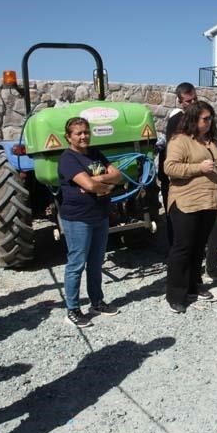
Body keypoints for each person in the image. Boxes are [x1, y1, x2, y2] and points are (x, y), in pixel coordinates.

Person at [58, 117, 123, 328]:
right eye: (79, 133)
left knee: (96, 263)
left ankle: (97, 302)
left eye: (86, 132)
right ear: (69, 137)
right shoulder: (68, 159)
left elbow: (118, 176)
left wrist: (98, 182)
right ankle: (73, 309)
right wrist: (100, 183)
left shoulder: (95, 154)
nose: (84, 136)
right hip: (78, 219)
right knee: (76, 263)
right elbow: (89, 184)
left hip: (100, 215)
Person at [163, 102, 217, 312]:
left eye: (210, 119)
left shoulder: (211, 141)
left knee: (199, 247)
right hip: (186, 202)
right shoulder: (179, 140)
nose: (209, 122)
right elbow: (169, 168)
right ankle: (175, 295)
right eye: (205, 119)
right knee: (183, 248)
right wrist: (198, 168)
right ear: (193, 119)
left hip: (208, 202)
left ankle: (192, 287)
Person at [158, 82, 197, 246]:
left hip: (186, 174)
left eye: (195, 99)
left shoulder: (192, 117)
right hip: (175, 176)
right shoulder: (178, 120)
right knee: (176, 217)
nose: (193, 103)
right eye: (189, 101)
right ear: (180, 102)